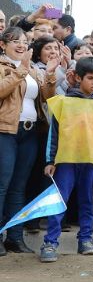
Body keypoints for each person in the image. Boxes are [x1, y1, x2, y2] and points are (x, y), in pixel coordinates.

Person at [39, 57, 93, 262]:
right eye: (90, 78)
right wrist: (50, 161)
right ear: (77, 78)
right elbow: (53, 135)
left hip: (91, 163)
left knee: (87, 201)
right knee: (59, 202)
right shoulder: (63, 103)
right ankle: (50, 242)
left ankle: (85, 240)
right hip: (65, 161)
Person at [0, 27, 57, 256]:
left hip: (30, 132)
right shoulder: (5, 67)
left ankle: (14, 237)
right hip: (5, 131)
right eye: (15, 41)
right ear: (3, 45)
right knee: (2, 185)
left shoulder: (33, 70)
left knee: (18, 187)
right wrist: (20, 69)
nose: (22, 44)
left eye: (24, 41)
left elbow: (49, 98)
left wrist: (50, 74)